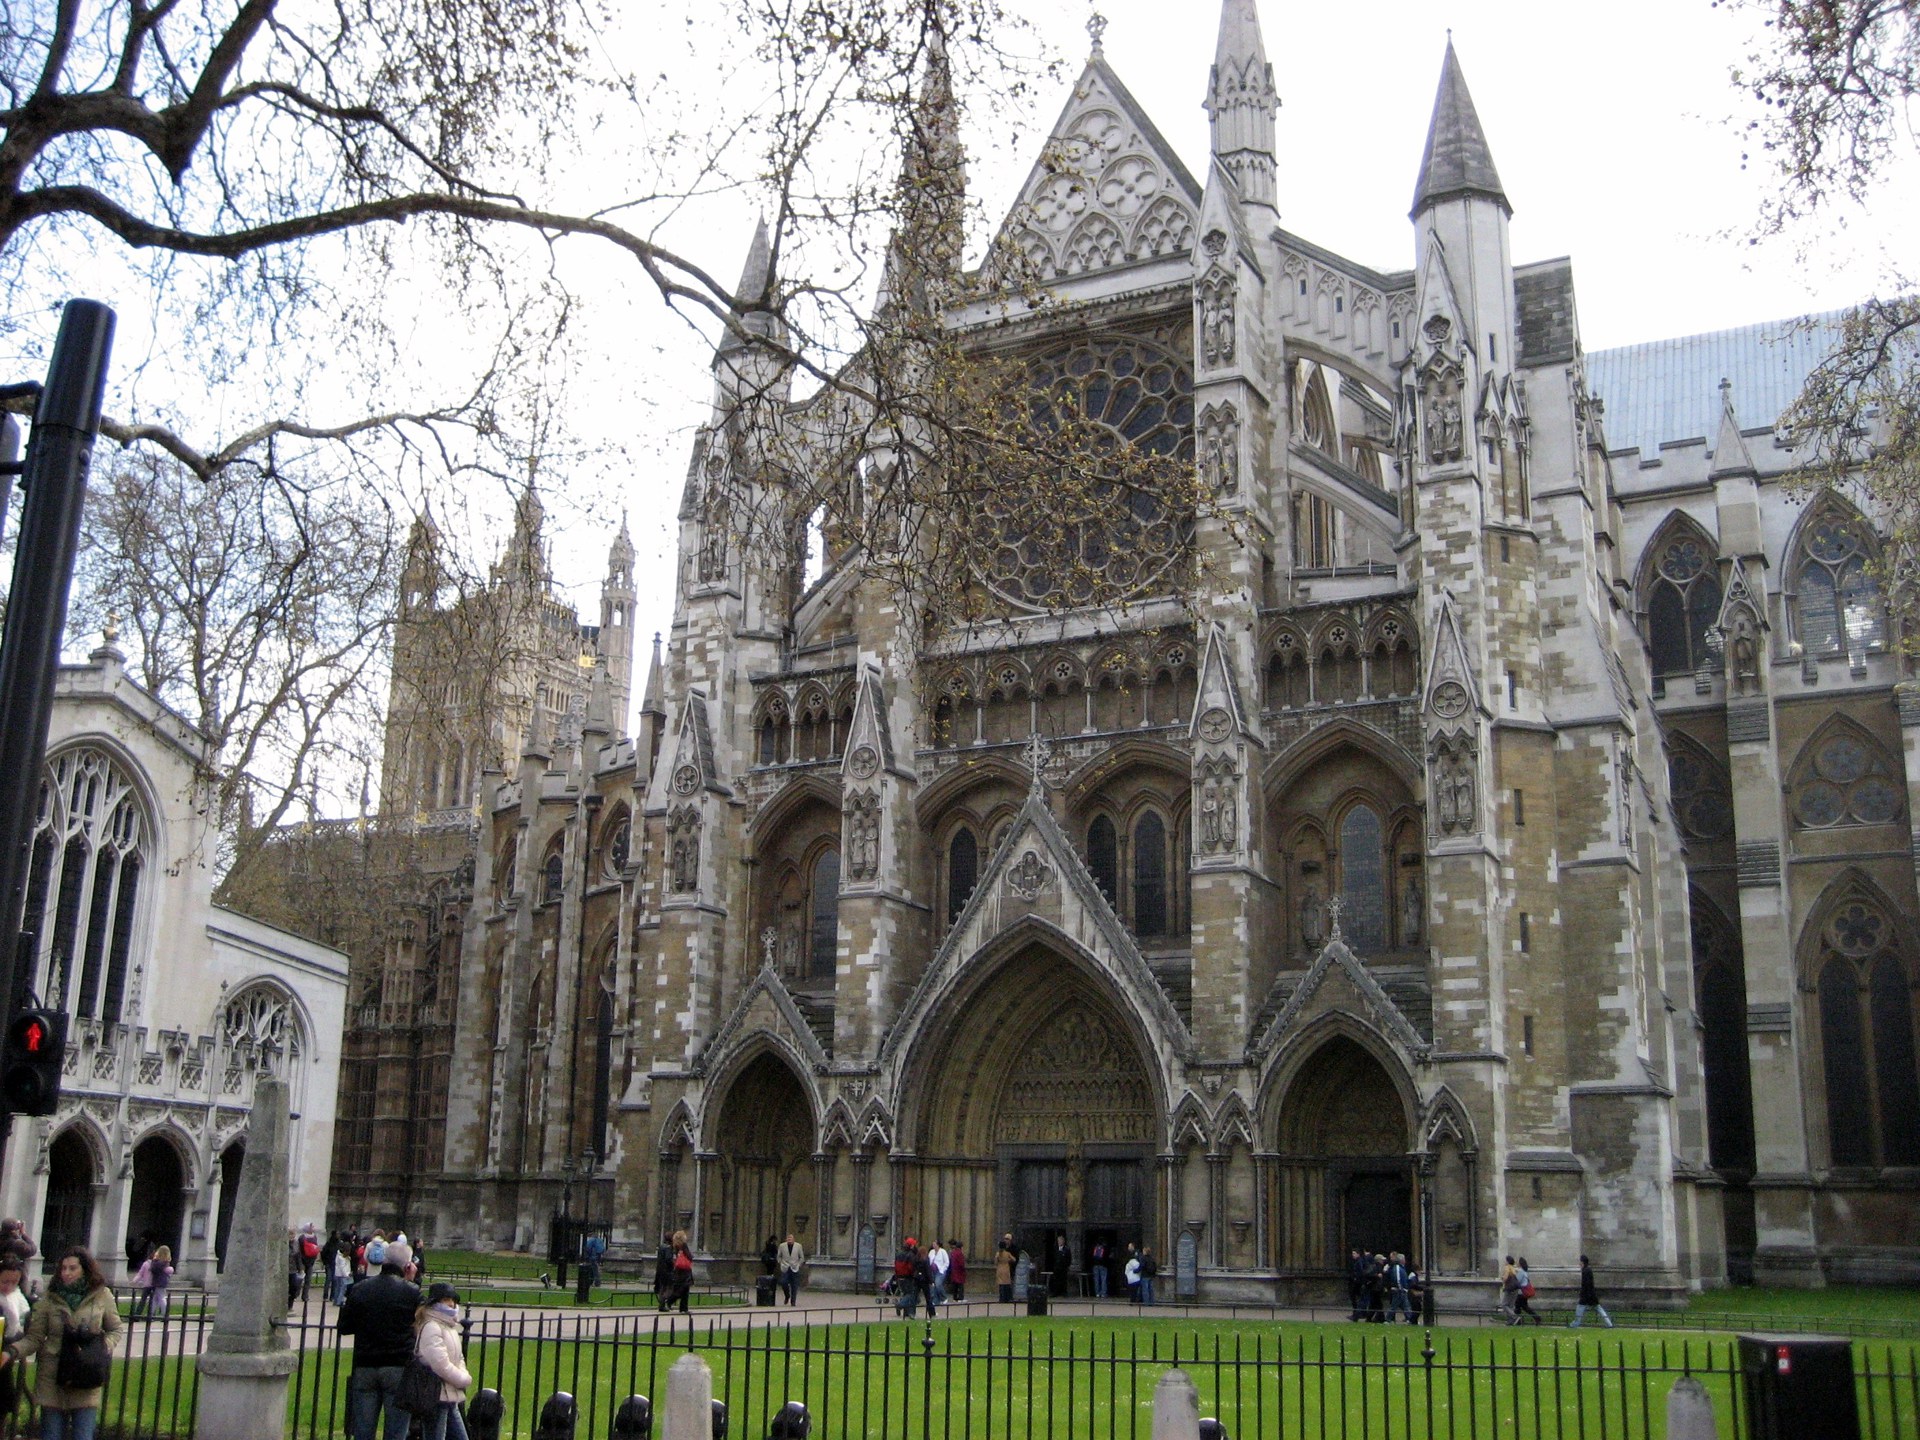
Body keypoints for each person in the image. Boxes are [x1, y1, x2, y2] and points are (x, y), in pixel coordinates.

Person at [0, 1247, 121, 1440]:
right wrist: (11, 1352)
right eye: (63, 1268)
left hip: (86, 1376)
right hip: (53, 1376)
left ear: (85, 1269)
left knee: (83, 1435)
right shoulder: (50, 1298)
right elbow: (34, 1338)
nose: (66, 1273)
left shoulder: (101, 1295)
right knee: (51, 1435)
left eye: (72, 1268)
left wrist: (102, 1346)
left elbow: (115, 1329)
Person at [338, 1240, 422, 1440]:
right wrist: (413, 1281)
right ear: (408, 1265)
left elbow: (344, 1327)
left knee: (363, 1432)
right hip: (398, 1365)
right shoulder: (411, 1292)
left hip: (365, 1363)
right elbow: (421, 1326)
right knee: (396, 1432)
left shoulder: (361, 1289)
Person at [413, 1282, 472, 1440]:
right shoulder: (432, 1326)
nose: (451, 1304)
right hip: (435, 1395)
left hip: (449, 1394)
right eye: (446, 1299)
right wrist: (462, 1378)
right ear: (436, 1302)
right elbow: (439, 1363)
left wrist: (462, 1373)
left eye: (453, 1299)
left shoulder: (448, 1326)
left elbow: (458, 1357)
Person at [0, 1260, 29, 1430]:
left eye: (14, 1282)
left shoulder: (18, 1301)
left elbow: (22, 1330)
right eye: (4, 1281)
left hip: (4, 1365)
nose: (9, 1286)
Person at [1571, 1255, 1613, 1328]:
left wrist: (1583, 1294)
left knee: (1579, 1310)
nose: (1579, 1264)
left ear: (1582, 1262)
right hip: (1592, 1295)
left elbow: (1585, 1284)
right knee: (1599, 1309)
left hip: (1586, 1295)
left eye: (1580, 1262)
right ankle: (1609, 1324)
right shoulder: (1588, 1270)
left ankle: (1575, 1324)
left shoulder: (1585, 1271)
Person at [136, 1246, 173, 1320]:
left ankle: (163, 1314)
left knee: (160, 1298)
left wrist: (154, 1260)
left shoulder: (159, 1263)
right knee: (155, 1299)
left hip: (158, 1282)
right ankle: (152, 1314)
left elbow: (153, 1269)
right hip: (160, 1282)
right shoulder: (165, 1263)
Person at [1511, 1257, 1542, 1325]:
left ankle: (1517, 1320)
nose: (1517, 1263)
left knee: (1519, 1306)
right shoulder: (1524, 1271)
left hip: (1522, 1292)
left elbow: (1518, 1281)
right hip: (1524, 1292)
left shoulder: (1521, 1272)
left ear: (1520, 1263)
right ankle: (1535, 1317)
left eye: (1518, 1262)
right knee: (1522, 1306)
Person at [669, 1231, 694, 1315]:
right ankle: (680, 1306)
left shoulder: (676, 1246)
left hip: (678, 1270)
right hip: (685, 1270)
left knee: (680, 1288)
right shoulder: (684, 1246)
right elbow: (689, 1256)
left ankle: (677, 1304)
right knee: (684, 1289)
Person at [776, 1233, 804, 1306]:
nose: (789, 1240)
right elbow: (778, 1256)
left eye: (791, 1239)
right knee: (783, 1282)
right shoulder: (782, 1246)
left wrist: (798, 1264)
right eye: (788, 1239)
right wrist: (781, 1263)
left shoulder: (798, 1246)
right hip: (785, 1267)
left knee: (794, 1285)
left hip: (795, 1267)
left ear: (793, 1239)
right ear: (786, 1239)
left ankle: (793, 1301)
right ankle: (787, 1295)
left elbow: (801, 1257)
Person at [1385, 1252, 1413, 1324]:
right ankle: (1387, 1319)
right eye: (1404, 1259)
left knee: (1406, 1306)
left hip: (1402, 1290)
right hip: (1399, 1290)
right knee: (1394, 1306)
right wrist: (1400, 1288)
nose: (1405, 1260)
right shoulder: (1397, 1267)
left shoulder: (1401, 1267)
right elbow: (1397, 1279)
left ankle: (1410, 1319)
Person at [653, 1233, 676, 1312]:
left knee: (662, 1288)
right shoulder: (668, 1248)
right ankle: (663, 1302)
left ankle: (661, 1305)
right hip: (667, 1271)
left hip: (660, 1270)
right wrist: (674, 1264)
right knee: (670, 1288)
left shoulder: (661, 1246)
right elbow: (668, 1259)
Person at [331, 1234, 355, 1307]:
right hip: (343, 1275)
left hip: (338, 1274)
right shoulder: (342, 1258)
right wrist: (347, 1275)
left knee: (337, 1288)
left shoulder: (339, 1256)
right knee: (342, 1289)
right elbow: (343, 1268)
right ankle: (339, 1301)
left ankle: (336, 1300)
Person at [298, 1222, 321, 1295]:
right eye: (311, 1227)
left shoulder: (314, 1236)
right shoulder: (302, 1237)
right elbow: (299, 1249)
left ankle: (305, 1295)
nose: (313, 1228)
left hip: (311, 1260)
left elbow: (316, 1247)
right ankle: (297, 1293)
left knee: (308, 1279)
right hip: (303, 1260)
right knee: (300, 1278)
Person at [1497, 1255, 1519, 1324]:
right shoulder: (1514, 1268)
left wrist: (1502, 1279)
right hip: (1515, 1288)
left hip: (1509, 1288)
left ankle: (1514, 1316)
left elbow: (1506, 1278)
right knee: (1511, 1305)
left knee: (1504, 1304)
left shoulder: (1507, 1268)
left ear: (1507, 1261)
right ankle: (1511, 1321)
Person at [926, 1240, 949, 1305]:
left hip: (940, 1271)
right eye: (933, 1244)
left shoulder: (943, 1251)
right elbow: (929, 1260)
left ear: (938, 1245)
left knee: (938, 1284)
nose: (933, 1245)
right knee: (933, 1286)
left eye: (934, 1244)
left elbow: (946, 1262)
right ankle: (935, 1300)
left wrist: (943, 1269)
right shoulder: (931, 1252)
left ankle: (944, 1297)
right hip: (932, 1271)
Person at [994, 1237, 1016, 1305]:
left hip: (1000, 1269)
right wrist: (1008, 1261)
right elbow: (1014, 1259)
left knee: (1001, 1285)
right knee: (1006, 1284)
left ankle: (1001, 1298)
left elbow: (995, 1262)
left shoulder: (998, 1253)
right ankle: (1007, 1298)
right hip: (1006, 1269)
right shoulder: (1007, 1253)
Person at [1347, 1248, 1366, 1320]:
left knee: (1355, 1299)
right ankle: (1357, 1314)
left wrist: (1355, 1278)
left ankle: (1356, 1314)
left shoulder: (1359, 1261)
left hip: (1356, 1283)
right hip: (1356, 1283)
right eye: (1352, 1253)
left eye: (1354, 1253)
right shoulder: (1357, 1261)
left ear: (1358, 1254)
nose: (1353, 1255)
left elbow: (1360, 1272)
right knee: (1356, 1299)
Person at [1051, 1233, 1072, 1298]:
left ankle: (1064, 1293)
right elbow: (1053, 1257)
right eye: (1058, 1241)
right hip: (1056, 1267)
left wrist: (1066, 1265)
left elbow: (1069, 1258)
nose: (1060, 1242)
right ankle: (1055, 1292)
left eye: (1061, 1240)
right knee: (1056, 1280)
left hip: (1063, 1268)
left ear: (1063, 1241)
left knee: (1063, 1280)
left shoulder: (1067, 1249)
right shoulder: (1055, 1248)